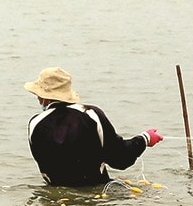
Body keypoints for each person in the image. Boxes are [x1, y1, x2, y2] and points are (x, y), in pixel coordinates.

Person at [23, 66, 162, 186]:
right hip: (96, 195)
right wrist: (145, 139)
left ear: (43, 97)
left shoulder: (34, 124)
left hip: (54, 200)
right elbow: (120, 158)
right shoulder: (91, 115)